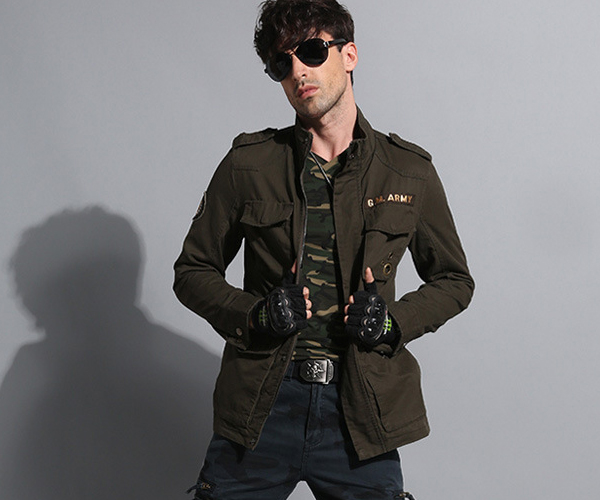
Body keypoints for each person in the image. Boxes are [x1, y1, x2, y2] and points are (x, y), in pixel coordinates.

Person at [173, 0, 474, 498]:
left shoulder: (407, 171)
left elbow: (455, 281)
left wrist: (392, 323)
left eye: (311, 51)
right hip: (263, 406)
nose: (297, 71)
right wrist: (256, 315)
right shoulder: (249, 165)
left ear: (349, 55)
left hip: (360, 412)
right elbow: (192, 272)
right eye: (281, 62)